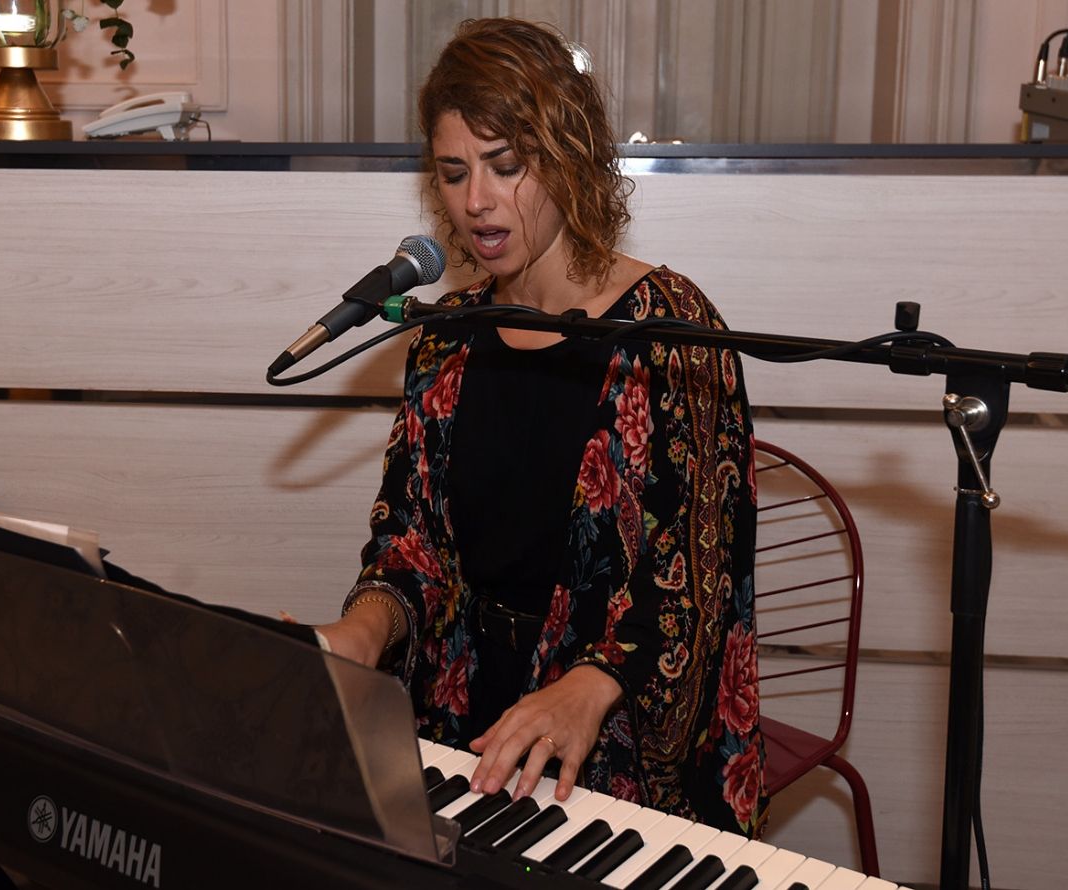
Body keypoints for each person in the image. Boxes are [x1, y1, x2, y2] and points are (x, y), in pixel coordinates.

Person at [317, 17, 765, 837]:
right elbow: (411, 545)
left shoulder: (669, 328)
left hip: (610, 742)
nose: (475, 202)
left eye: (506, 166)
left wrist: (589, 688)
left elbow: (697, 587)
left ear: (567, 157)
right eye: (454, 172)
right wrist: (359, 631)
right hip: (465, 722)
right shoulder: (447, 338)